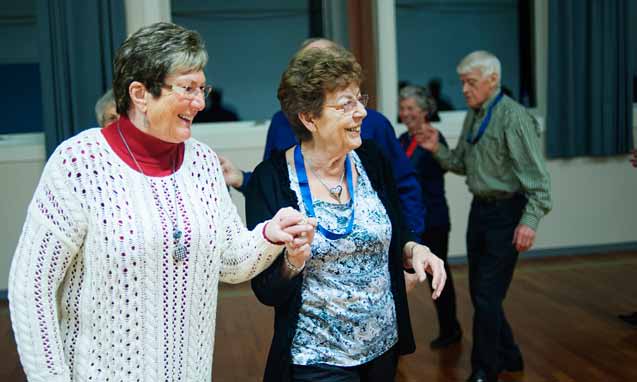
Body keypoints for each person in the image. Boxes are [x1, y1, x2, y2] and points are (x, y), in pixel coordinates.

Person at [8, 22, 316, 382]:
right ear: (140, 93)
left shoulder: (201, 162)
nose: (200, 102)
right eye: (187, 89)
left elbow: (230, 261)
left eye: (202, 88)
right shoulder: (79, 163)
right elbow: (31, 287)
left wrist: (269, 234)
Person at [245, 45, 447, 382]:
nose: (362, 113)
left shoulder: (372, 160)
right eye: (345, 104)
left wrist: (416, 249)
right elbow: (266, 290)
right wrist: (293, 260)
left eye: (360, 99)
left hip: (382, 346)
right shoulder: (270, 180)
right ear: (309, 118)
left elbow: (395, 230)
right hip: (317, 358)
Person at [418, 50, 552, 382]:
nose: (463, 89)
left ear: (493, 81)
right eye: (462, 83)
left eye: (471, 83)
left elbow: (539, 181)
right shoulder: (474, 115)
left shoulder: (513, 117)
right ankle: (510, 354)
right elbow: (463, 164)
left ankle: (484, 370)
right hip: (481, 212)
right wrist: (438, 149)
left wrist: (529, 221)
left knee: (487, 296)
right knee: (482, 292)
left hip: (507, 213)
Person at [220, 38, 426, 240]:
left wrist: (412, 245)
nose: (360, 112)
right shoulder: (280, 125)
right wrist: (242, 179)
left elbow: (403, 187)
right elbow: (274, 189)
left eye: (359, 98)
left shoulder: (374, 136)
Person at [398, 85, 462, 349]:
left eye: (411, 108)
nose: (405, 113)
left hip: (433, 218)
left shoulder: (436, 139)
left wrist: (434, 149)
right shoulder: (401, 140)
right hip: (409, 220)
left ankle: (450, 329)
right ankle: (397, 336)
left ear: (425, 111)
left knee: (438, 273)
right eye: (402, 108)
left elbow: (445, 168)